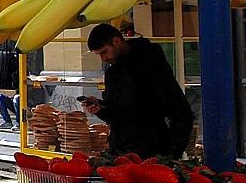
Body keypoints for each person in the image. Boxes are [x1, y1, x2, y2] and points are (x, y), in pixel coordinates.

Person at [80, 24, 193, 157]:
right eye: (99, 54)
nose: (103, 58)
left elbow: (179, 110)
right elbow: (119, 114)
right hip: (120, 151)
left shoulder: (150, 64)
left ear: (116, 41)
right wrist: (101, 109)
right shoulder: (113, 72)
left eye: (104, 52)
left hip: (151, 151)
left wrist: (171, 153)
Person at [0, 47, 21, 129]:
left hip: (27, 103)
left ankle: (19, 123)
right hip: (17, 102)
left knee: (17, 98)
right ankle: (7, 121)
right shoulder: (15, 73)